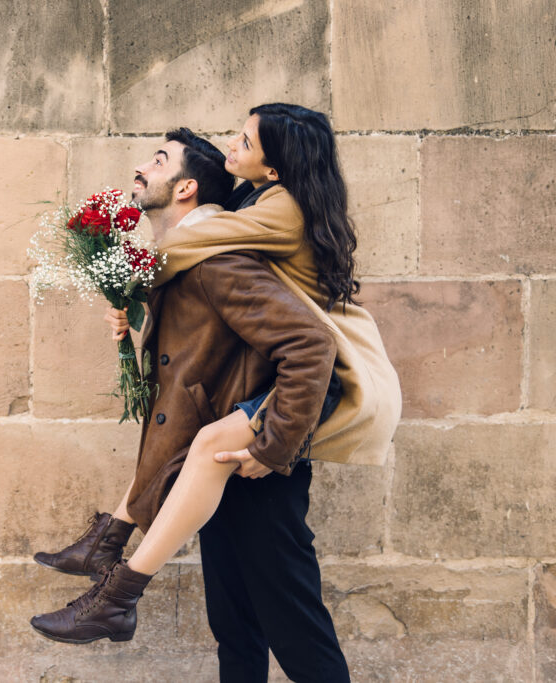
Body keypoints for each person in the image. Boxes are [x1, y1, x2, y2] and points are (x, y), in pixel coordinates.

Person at [31, 106, 401, 682]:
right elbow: (205, 348)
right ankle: (110, 555)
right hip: (239, 450)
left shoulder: (237, 239)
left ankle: (118, 594)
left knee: (297, 631)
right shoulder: (244, 218)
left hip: (267, 450)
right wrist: (134, 316)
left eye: (246, 139)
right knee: (235, 626)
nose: (235, 143)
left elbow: (304, 346)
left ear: (188, 187)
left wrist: (272, 447)